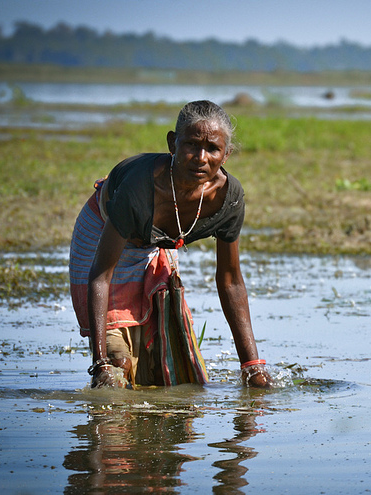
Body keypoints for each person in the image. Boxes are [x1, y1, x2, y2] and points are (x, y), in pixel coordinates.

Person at [69, 100, 271, 388]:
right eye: (191, 145)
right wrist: (98, 362)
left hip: (155, 248)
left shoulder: (229, 199)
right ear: (172, 144)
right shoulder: (141, 187)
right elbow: (100, 274)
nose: (201, 158)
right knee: (117, 366)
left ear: (226, 154)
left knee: (165, 370)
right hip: (102, 237)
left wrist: (252, 366)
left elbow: (230, 280)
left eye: (212, 149)